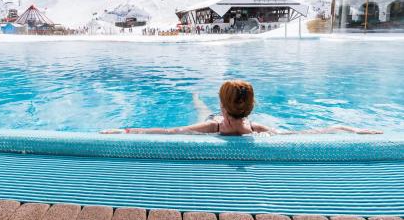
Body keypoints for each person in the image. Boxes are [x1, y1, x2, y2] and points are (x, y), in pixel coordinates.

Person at [101, 80, 383, 135]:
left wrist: (125, 130)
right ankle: (196, 97)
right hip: (233, 119)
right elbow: (314, 131)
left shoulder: (212, 126)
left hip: (210, 120)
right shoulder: (259, 129)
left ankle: (195, 96)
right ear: (250, 108)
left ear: (223, 108)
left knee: (200, 110)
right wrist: (353, 129)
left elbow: (169, 130)